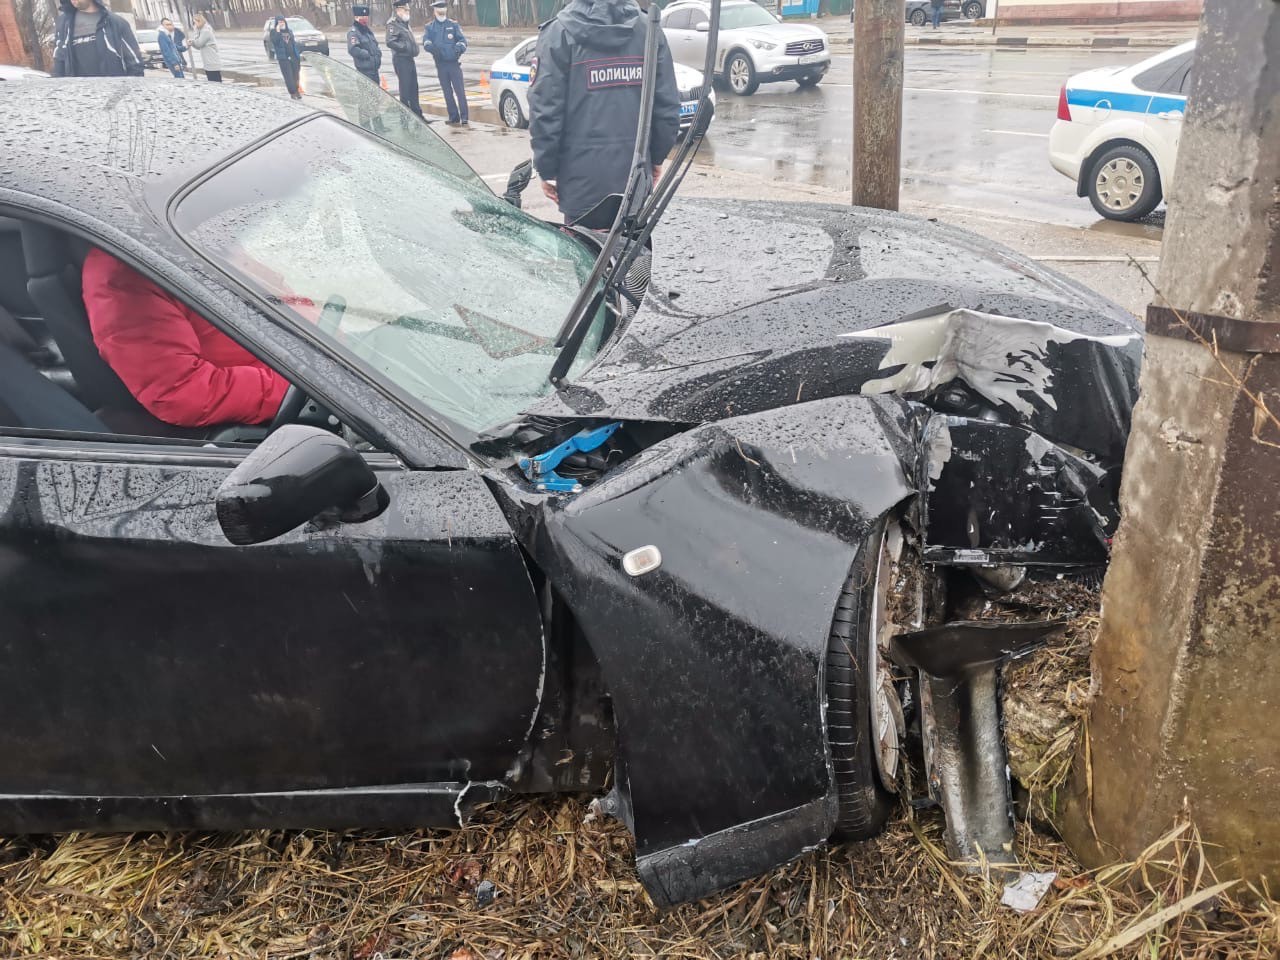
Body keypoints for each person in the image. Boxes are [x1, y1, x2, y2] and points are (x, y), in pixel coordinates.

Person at [81, 248, 288, 428]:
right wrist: (289, 390)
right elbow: (181, 393)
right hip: (287, 395)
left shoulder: (182, 236)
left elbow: (286, 304)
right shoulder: (127, 275)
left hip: (300, 365)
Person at [528, 0, 679, 228]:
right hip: (634, 177)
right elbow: (666, 107)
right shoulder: (648, 29)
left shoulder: (559, 33)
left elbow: (545, 113)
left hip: (581, 184)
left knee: (587, 259)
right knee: (632, 259)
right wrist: (656, 158)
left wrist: (547, 170)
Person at [51, 0, 145, 78]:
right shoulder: (64, 24)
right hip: (77, 96)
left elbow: (135, 64)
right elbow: (59, 62)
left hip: (112, 93)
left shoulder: (115, 23)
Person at [423, 0, 467, 126]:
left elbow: (463, 41)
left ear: (446, 10)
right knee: (447, 92)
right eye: (439, 10)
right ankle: (453, 116)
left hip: (453, 64)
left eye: (443, 9)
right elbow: (426, 41)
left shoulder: (453, 25)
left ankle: (464, 117)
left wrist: (457, 50)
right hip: (441, 64)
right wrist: (432, 49)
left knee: (460, 91)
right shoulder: (430, 27)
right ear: (434, 11)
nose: (441, 12)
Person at [385, 0, 422, 117]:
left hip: (409, 59)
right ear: (398, 10)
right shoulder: (393, 23)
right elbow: (390, 42)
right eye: (405, 10)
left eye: (408, 10)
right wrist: (405, 47)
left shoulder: (405, 23)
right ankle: (405, 118)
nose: (407, 12)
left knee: (414, 88)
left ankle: (418, 116)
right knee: (405, 90)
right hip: (401, 60)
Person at [269, 16, 303, 99]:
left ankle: (297, 91)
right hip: (283, 58)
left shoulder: (289, 31)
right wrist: (277, 30)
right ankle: (292, 93)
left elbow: (293, 43)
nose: (281, 23)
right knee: (289, 77)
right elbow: (275, 41)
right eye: (279, 22)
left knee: (296, 75)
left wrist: (298, 54)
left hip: (294, 57)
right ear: (277, 23)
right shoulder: (274, 32)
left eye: (283, 21)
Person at [347, 3, 382, 84]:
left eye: (366, 17)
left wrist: (378, 54)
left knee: (376, 95)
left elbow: (375, 45)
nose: (365, 19)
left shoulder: (368, 31)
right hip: (364, 72)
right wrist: (366, 55)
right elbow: (353, 49)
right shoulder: (353, 32)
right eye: (362, 17)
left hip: (374, 70)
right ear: (356, 17)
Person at [188, 13, 221, 82]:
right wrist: (192, 43)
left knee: (216, 82)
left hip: (212, 61)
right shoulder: (202, 31)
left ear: (199, 21)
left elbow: (199, 43)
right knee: (213, 81)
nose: (194, 25)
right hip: (208, 61)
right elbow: (198, 47)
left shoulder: (205, 31)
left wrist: (194, 35)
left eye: (195, 22)